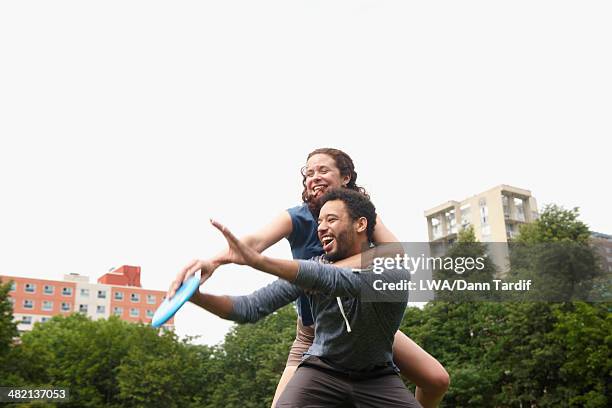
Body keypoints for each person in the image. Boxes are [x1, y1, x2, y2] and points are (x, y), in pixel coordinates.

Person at [168, 148, 449, 407]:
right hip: (314, 333)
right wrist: (212, 265)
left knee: (436, 379)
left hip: (365, 326)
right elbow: (252, 254)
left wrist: (325, 274)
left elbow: (395, 254)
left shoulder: (363, 216)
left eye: (323, 170)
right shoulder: (298, 218)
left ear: (346, 177)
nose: (314, 177)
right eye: (309, 172)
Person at [194, 189, 421, 407]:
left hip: (378, 377)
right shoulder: (315, 267)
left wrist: (259, 261)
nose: (321, 228)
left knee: (436, 380)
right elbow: (249, 308)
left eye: (331, 220)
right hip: (322, 370)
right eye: (319, 222)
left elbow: (337, 281)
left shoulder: (393, 272)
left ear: (360, 224)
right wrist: (195, 295)